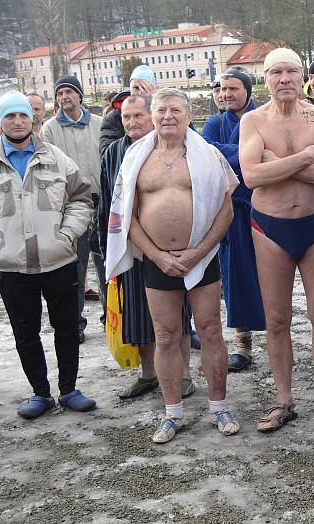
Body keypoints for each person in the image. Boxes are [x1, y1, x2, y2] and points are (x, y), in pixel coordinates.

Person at [106, 88, 238, 443]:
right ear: (152, 114)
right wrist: (157, 254)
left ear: (188, 114)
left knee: (210, 330)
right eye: (161, 110)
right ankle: (173, 413)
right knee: (165, 335)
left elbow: (226, 210)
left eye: (175, 110)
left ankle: (219, 407)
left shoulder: (207, 155)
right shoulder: (136, 157)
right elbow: (127, 214)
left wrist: (198, 252)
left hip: (202, 256)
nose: (168, 116)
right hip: (157, 260)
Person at [239, 48, 314, 432]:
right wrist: (307, 156)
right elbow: (252, 178)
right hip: (269, 227)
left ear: (302, 75)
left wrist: (278, 164)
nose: (284, 79)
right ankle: (283, 400)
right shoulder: (252, 120)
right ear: (266, 78)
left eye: (292, 71)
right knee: (277, 319)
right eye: (276, 72)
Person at [0, 91, 96, 418]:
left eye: (23, 115)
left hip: (59, 262)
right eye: (10, 116)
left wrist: (66, 235)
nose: (18, 122)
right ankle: (40, 393)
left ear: (32, 118)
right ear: (0, 121)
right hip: (14, 269)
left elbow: (82, 200)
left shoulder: (56, 158)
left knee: (66, 329)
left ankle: (69, 390)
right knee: (25, 333)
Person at [99, 95, 195, 399]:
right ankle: (148, 374)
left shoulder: (171, 147)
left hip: (171, 249)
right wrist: (107, 245)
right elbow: (107, 203)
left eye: (138, 116)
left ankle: (183, 374)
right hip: (131, 245)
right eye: (126, 118)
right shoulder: (114, 152)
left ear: (150, 116)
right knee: (137, 314)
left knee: (177, 313)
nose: (132, 123)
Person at [202, 69, 266, 372]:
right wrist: (251, 154)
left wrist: (247, 156)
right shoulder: (215, 123)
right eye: (222, 89)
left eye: (233, 88)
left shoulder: (264, 116)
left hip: (266, 204)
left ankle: (282, 335)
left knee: (273, 274)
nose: (226, 94)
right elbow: (210, 154)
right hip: (232, 208)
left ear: (248, 91)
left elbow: (268, 153)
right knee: (236, 275)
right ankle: (243, 341)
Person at [40, 75, 104, 344]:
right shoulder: (49, 129)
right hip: (70, 207)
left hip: (101, 202)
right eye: (60, 93)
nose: (64, 97)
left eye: (69, 92)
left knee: (106, 264)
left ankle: (113, 317)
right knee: (74, 268)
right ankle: (75, 323)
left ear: (80, 95)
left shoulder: (100, 124)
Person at [100, 65, 157, 154]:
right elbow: (108, 156)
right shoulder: (114, 117)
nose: (140, 92)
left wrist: (155, 106)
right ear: (130, 89)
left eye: (145, 88)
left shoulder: (163, 114)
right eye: (136, 88)